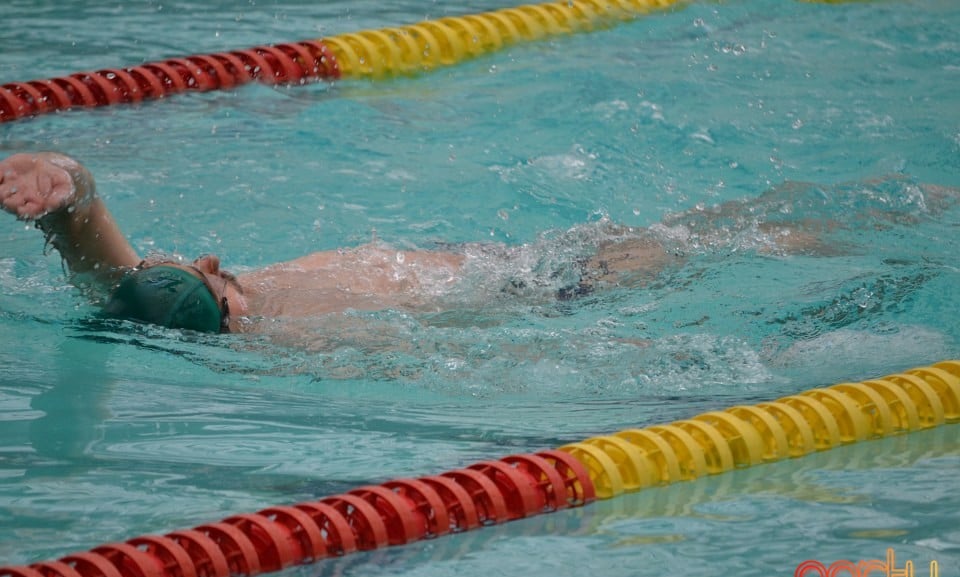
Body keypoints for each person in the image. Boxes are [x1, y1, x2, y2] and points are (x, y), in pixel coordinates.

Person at [0, 152, 934, 337]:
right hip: (547, 288)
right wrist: (69, 186)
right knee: (740, 238)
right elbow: (109, 255)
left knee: (729, 235)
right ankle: (916, 205)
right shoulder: (281, 325)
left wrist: (68, 186)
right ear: (215, 275)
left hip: (522, 280)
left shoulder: (172, 311)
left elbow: (101, 258)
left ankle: (904, 206)